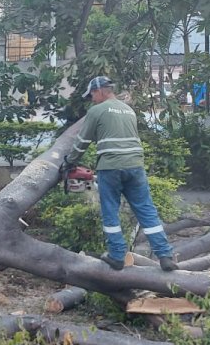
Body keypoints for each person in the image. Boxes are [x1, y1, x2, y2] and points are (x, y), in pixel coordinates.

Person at [65, 76, 176, 272]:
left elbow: (82, 141)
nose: (91, 98)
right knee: (146, 210)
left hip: (111, 167)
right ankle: (165, 255)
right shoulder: (128, 109)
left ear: (100, 91)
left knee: (110, 210)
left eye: (92, 94)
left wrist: (69, 162)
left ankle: (117, 256)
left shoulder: (97, 111)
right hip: (135, 166)